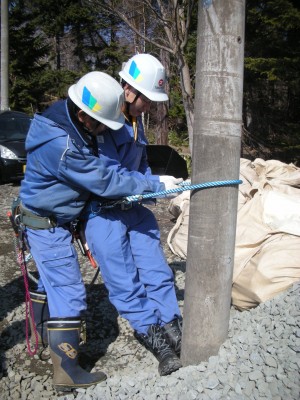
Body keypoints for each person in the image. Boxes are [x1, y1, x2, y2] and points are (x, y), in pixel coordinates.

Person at [18, 70, 180, 391]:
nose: (105, 129)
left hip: (59, 217)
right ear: (83, 114)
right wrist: (155, 184)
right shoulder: (61, 144)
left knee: (53, 280)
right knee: (69, 292)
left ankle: (41, 330)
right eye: (101, 124)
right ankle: (66, 371)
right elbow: (106, 180)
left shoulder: (72, 124)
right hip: (47, 224)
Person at [83, 54, 183, 377]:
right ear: (128, 91)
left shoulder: (137, 123)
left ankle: (172, 324)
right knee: (126, 282)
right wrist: (152, 183)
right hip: (105, 216)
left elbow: (139, 167)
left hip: (134, 210)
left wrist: (159, 184)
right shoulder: (104, 124)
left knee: (156, 269)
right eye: (147, 101)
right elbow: (109, 178)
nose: (150, 108)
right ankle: (154, 336)